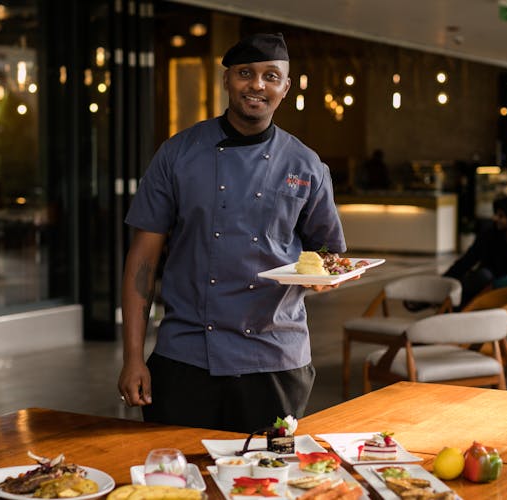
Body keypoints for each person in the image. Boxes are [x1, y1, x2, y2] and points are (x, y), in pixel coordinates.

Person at [117, 33, 347, 433]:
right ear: (226, 80)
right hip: (186, 355)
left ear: (285, 88)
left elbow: (328, 250)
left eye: (270, 76)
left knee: (265, 484)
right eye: (245, 73)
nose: (257, 85)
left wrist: (325, 277)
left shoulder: (306, 165)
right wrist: (133, 357)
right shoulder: (177, 154)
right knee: (177, 481)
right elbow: (142, 262)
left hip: (276, 358)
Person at [443, 194, 507, 307]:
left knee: (483, 275)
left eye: (501, 216)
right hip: (483, 288)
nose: (495, 218)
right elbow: (467, 261)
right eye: (496, 214)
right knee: (475, 277)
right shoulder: (489, 235)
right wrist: (444, 281)